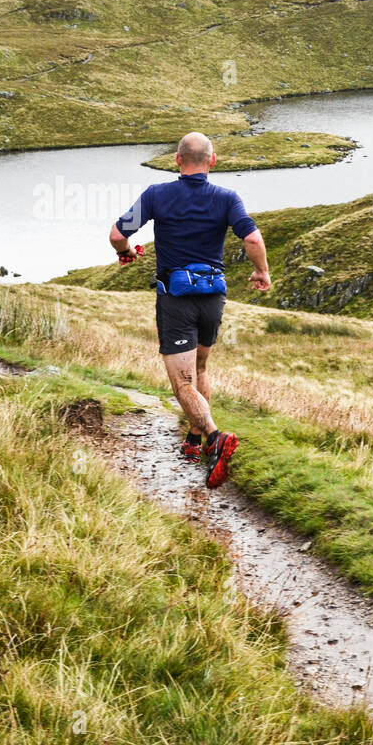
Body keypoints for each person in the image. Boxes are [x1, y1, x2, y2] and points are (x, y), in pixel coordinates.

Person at [108, 132, 270, 488]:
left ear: (178, 160)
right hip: (213, 297)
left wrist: (127, 252)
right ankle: (194, 442)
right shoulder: (227, 198)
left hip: (176, 300)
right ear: (212, 161)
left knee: (183, 384)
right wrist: (262, 271)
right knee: (200, 369)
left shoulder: (156, 195)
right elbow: (253, 239)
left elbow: (118, 234)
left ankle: (215, 437)